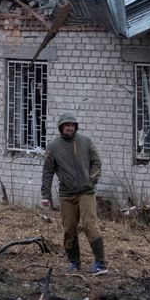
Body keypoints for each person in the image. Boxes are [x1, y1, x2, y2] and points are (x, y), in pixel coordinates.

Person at [41, 113, 107, 275]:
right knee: (69, 228)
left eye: (72, 125)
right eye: (66, 125)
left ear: (75, 127)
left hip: (86, 192)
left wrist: (92, 179)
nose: (69, 128)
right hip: (66, 194)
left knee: (90, 224)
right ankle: (74, 262)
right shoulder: (53, 147)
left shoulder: (85, 141)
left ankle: (100, 263)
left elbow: (96, 162)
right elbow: (48, 172)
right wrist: (46, 195)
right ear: (61, 127)